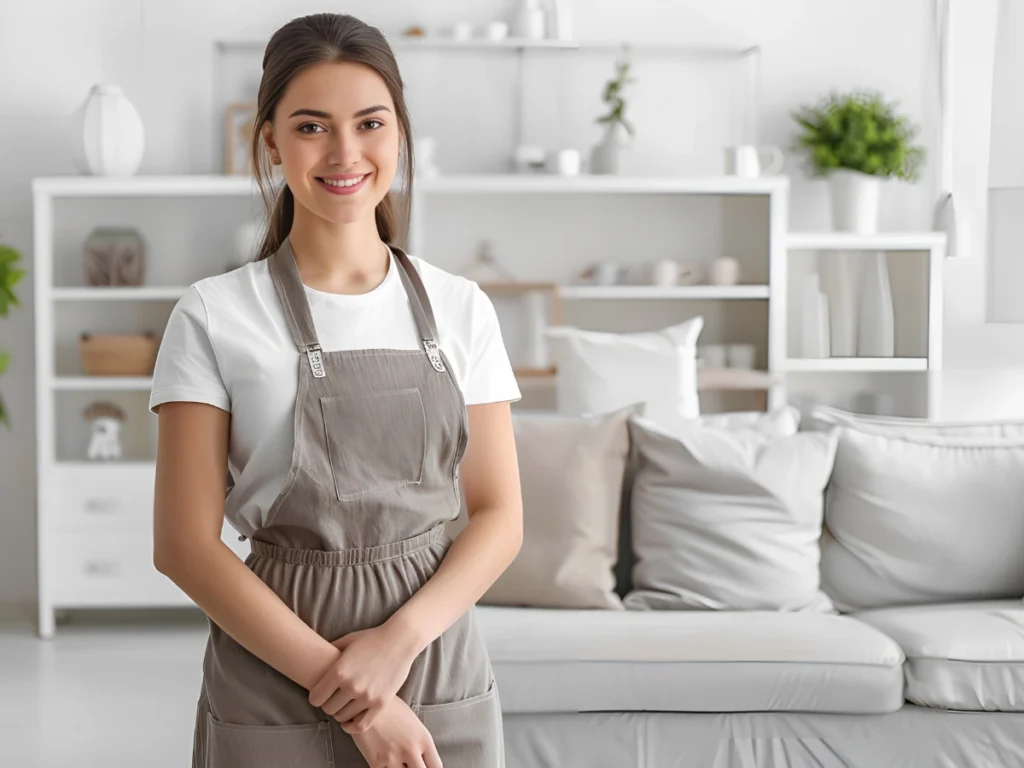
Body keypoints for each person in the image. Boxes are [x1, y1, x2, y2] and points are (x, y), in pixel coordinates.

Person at [150, 12, 524, 768]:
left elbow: (499, 515)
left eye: (370, 123)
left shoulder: (461, 307)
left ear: (399, 134)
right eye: (312, 127)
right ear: (271, 142)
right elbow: (185, 546)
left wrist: (396, 647)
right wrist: (349, 687)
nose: (345, 153)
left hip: (433, 660)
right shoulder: (214, 313)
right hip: (273, 669)